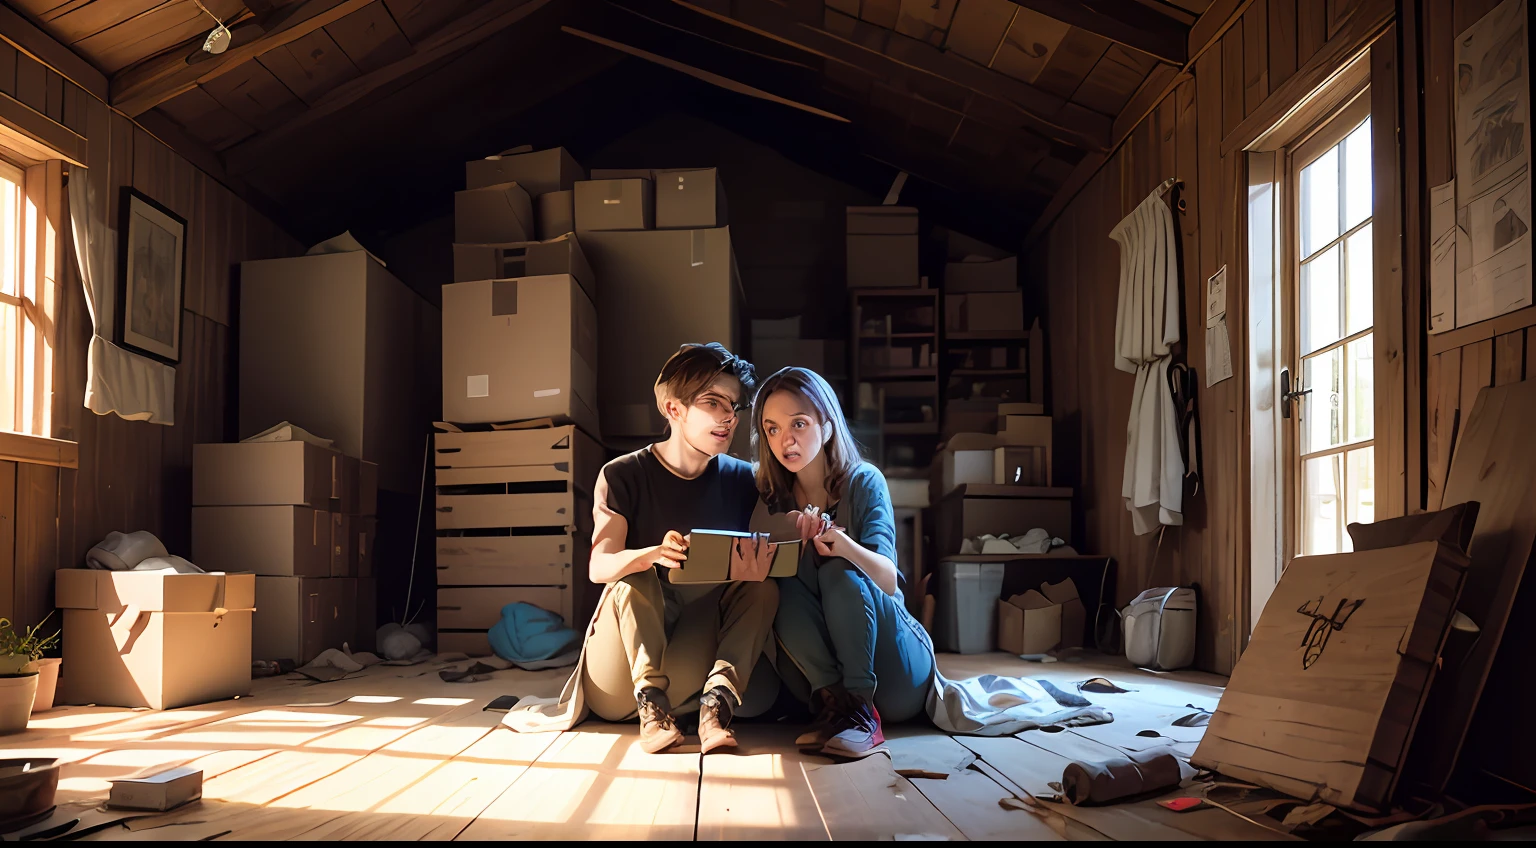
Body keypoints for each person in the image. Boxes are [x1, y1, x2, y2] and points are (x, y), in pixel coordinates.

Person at [579, 343, 779, 754]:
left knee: (763, 587)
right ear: (674, 410)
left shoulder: (745, 481)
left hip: (695, 655)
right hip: (621, 677)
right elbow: (599, 566)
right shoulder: (623, 474)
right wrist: (650, 555)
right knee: (631, 574)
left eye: (734, 406)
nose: (728, 417)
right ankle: (651, 707)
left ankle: (715, 709)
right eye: (713, 402)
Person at [752, 366, 935, 757]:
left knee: (839, 567)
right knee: (782, 576)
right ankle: (837, 707)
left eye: (798, 424)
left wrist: (845, 546)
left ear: (828, 427)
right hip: (823, 677)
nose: (785, 440)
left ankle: (860, 713)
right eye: (772, 429)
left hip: (897, 669)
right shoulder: (772, 499)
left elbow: (889, 581)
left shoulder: (863, 480)